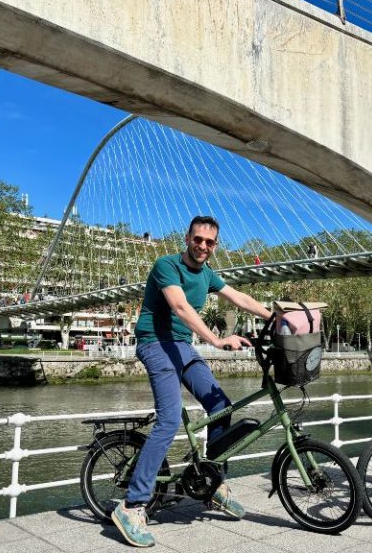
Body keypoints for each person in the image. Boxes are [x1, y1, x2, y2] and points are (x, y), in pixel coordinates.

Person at [113, 215, 272, 547]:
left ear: (215, 246)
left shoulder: (209, 274)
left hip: (182, 346)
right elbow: (180, 306)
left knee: (221, 406)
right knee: (170, 419)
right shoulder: (166, 265)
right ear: (187, 238)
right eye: (197, 239)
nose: (202, 246)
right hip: (154, 343)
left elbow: (239, 298)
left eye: (210, 242)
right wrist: (215, 341)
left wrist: (278, 317)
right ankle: (132, 505)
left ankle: (212, 483)